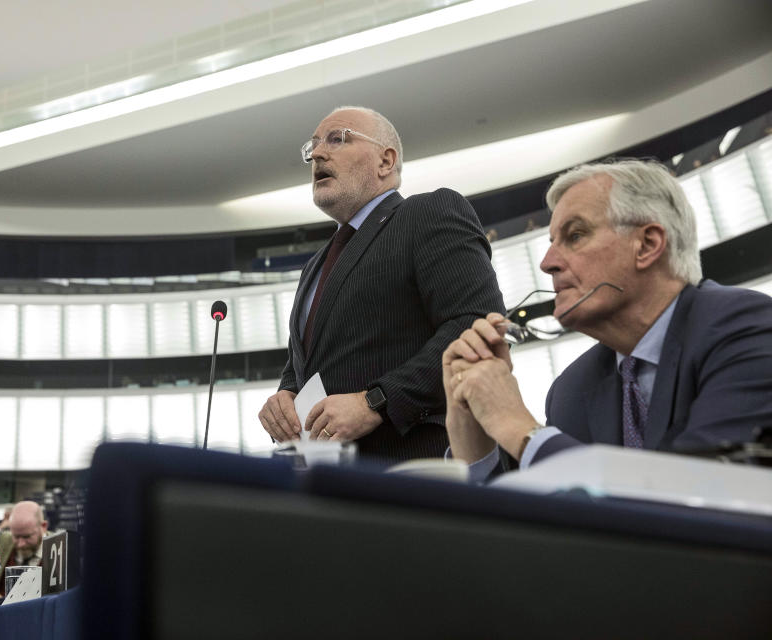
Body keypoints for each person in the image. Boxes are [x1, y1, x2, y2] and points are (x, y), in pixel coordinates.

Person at [442, 159, 772, 479]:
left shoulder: (747, 328)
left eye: (575, 235)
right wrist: (472, 429)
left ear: (647, 244)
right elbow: (536, 525)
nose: (547, 263)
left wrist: (518, 427)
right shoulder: (571, 390)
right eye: (551, 242)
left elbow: (705, 495)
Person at [258, 106, 504, 462]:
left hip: (415, 464)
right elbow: (307, 365)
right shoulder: (315, 266)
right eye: (312, 147)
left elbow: (475, 325)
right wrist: (285, 397)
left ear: (386, 162)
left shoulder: (428, 213)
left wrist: (376, 401)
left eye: (337, 139)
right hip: (330, 479)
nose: (318, 153)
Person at [0, 500, 48, 596]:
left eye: (27, 537)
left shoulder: (58, 546)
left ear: (43, 526)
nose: (21, 544)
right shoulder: (2, 541)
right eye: (16, 537)